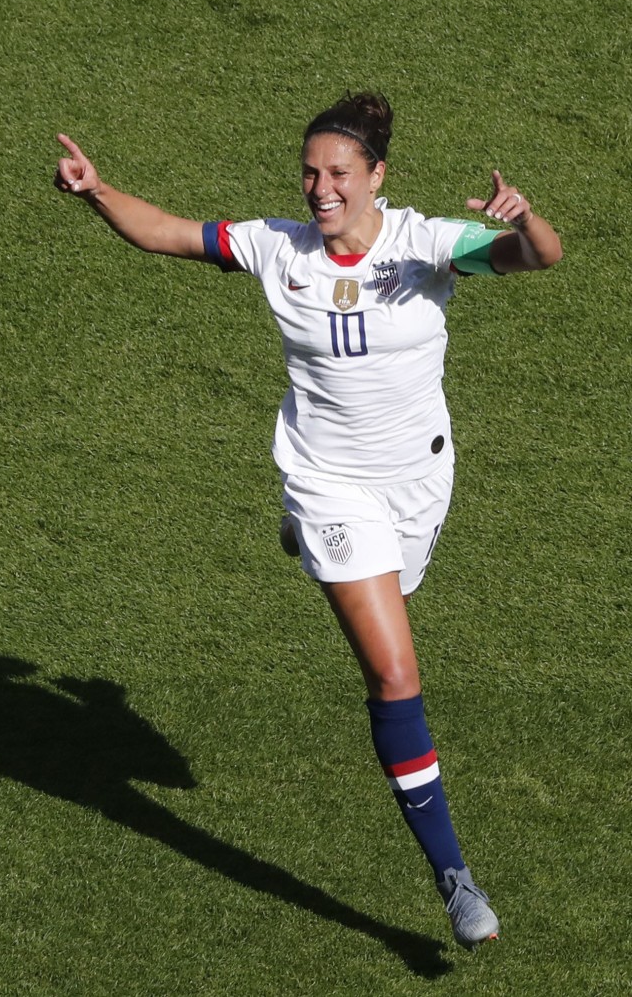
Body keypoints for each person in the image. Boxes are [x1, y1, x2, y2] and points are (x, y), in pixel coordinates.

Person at [54, 93, 562, 951]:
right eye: (310, 172)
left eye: (337, 174)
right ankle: (453, 875)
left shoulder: (426, 245)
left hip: (417, 484)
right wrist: (98, 190)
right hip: (328, 483)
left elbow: (536, 257)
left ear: (376, 178)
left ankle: (325, 556)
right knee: (395, 673)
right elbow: (169, 233)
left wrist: (528, 218)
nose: (319, 189)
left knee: (392, 598)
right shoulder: (276, 246)